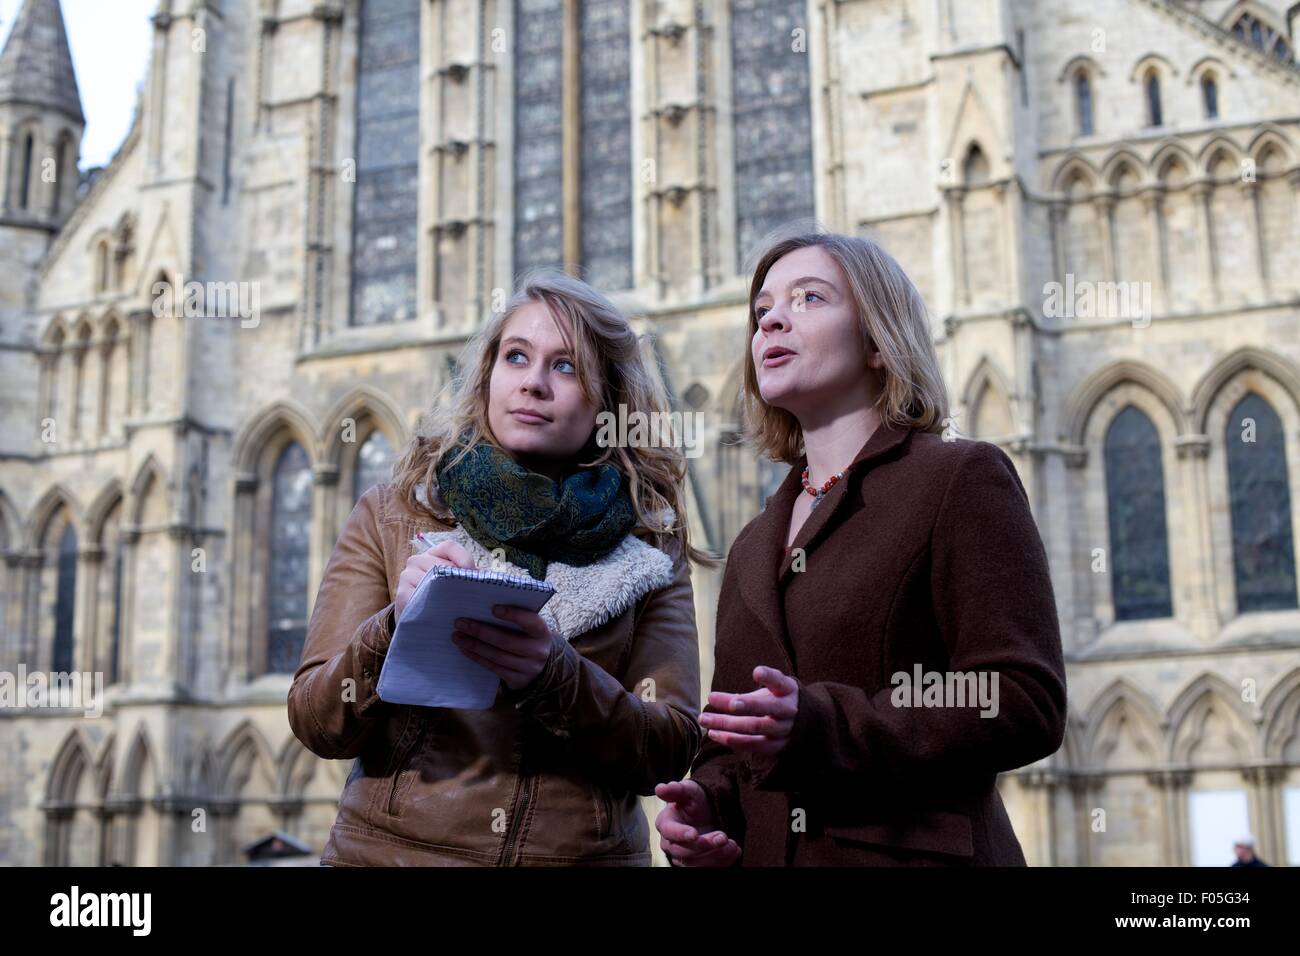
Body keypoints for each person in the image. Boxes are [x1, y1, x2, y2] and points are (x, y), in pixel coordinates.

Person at [655, 230, 1068, 866]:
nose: (773, 321)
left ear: (878, 341)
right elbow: (734, 743)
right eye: (762, 310)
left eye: (809, 298)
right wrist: (708, 809)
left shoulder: (959, 478)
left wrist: (824, 724)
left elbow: (1021, 697)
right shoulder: (751, 545)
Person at [289, 269, 708, 865]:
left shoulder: (650, 543)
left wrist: (554, 674)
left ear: (607, 401)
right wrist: (392, 627)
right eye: (517, 357)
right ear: (488, 376)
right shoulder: (395, 513)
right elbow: (316, 721)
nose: (533, 383)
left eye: (565, 367)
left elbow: (668, 749)